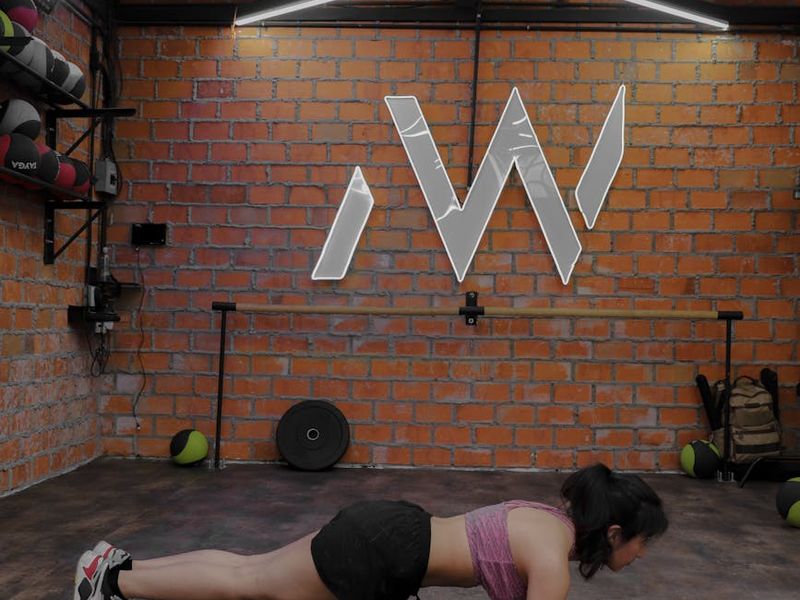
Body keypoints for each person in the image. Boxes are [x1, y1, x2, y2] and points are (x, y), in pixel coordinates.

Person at [74, 462, 668, 600]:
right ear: (614, 532)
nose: (643, 555)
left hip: (394, 535)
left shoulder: (548, 523)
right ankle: (114, 585)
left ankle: (117, 568)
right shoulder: (552, 556)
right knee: (248, 581)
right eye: (643, 542)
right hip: (384, 551)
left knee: (248, 569)